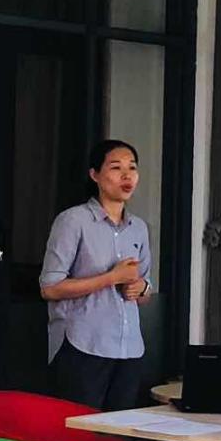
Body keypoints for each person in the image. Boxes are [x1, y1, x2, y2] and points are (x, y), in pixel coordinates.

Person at [39, 140, 153, 411]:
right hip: (83, 344)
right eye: (116, 167)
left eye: (132, 168)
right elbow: (50, 288)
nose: (127, 175)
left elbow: (146, 290)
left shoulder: (138, 228)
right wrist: (111, 278)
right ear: (95, 175)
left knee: (120, 430)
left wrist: (141, 288)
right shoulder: (73, 221)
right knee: (81, 428)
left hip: (129, 348)